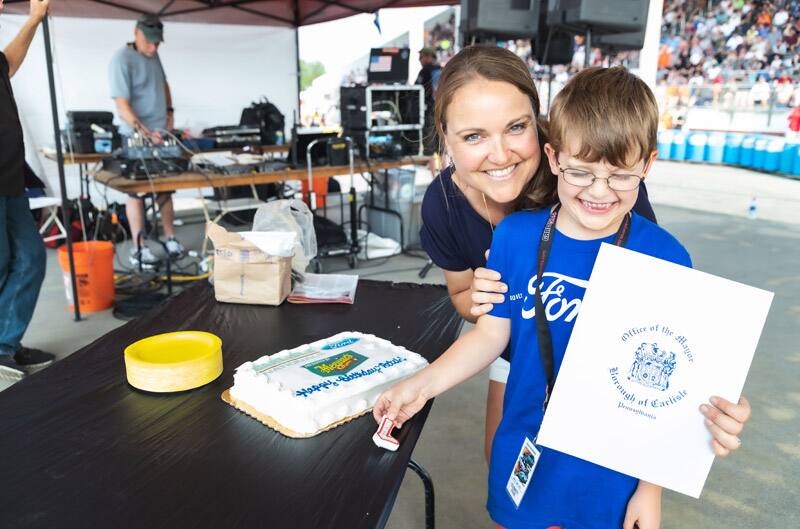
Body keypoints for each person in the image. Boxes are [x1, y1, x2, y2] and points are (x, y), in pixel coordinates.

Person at [377, 56, 751, 529]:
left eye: (619, 176)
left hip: (611, 460)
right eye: (581, 173)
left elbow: (680, 373)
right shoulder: (513, 235)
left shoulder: (662, 254)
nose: (600, 191)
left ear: (647, 167)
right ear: (557, 159)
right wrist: (421, 383)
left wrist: (653, 484)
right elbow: (491, 335)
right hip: (529, 431)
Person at [418, 45, 657, 463]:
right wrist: (487, 301)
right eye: (474, 136)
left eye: (516, 127)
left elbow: (662, 310)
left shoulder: (587, 176)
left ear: (540, 126)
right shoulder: (443, 205)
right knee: (506, 468)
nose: (499, 154)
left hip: (607, 357)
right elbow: (464, 303)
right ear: (445, 136)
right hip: (519, 349)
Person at [0, 0, 56, 381]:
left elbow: (10, 61)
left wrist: (35, 18)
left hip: (10, 180)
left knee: (31, 259)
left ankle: (5, 343)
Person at [108, 14, 184, 268]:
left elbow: (164, 84)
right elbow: (122, 105)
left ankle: (170, 238)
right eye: (149, 42)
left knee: (165, 188)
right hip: (135, 135)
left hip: (161, 134)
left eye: (157, 43)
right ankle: (139, 249)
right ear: (135, 33)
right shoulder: (122, 59)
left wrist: (170, 113)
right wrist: (143, 131)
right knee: (138, 192)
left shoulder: (154, 55)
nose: (153, 47)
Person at [415, 46, 442, 156]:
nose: (419, 60)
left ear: (429, 57)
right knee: (441, 143)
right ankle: (445, 171)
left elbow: (415, 89)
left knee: (429, 142)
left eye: (421, 57)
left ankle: (429, 170)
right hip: (441, 109)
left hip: (429, 109)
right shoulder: (441, 69)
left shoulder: (425, 71)